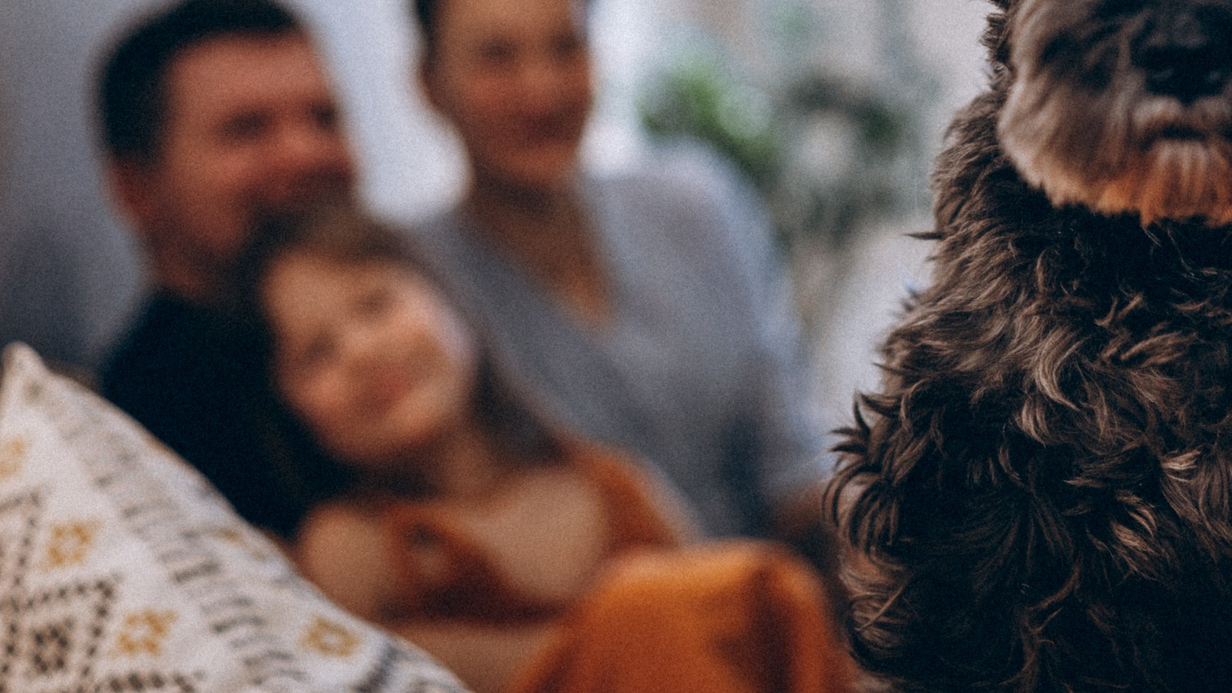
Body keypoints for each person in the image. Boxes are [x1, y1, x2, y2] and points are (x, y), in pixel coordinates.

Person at [250, 204, 849, 693]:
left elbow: (731, 636)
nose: (360, 351)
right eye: (316, 354)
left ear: (454, 304)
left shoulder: (615, 486)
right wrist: (618, 627)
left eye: (376, 303)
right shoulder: (356, 545)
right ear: (294, 416)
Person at [401, 0, 831, 552]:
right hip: (617, 627)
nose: (541, 88)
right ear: (430, 84)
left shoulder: (698, 205)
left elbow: (796, 464)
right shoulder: (417, 287)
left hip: (785, 602)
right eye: (497, 56)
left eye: (565, 45)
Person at [93, 0, 359, 536]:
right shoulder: (157, 419)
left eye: (323, 118)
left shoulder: (414, 314)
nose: (307, 152)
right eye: (247, 129)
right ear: (135, 189)